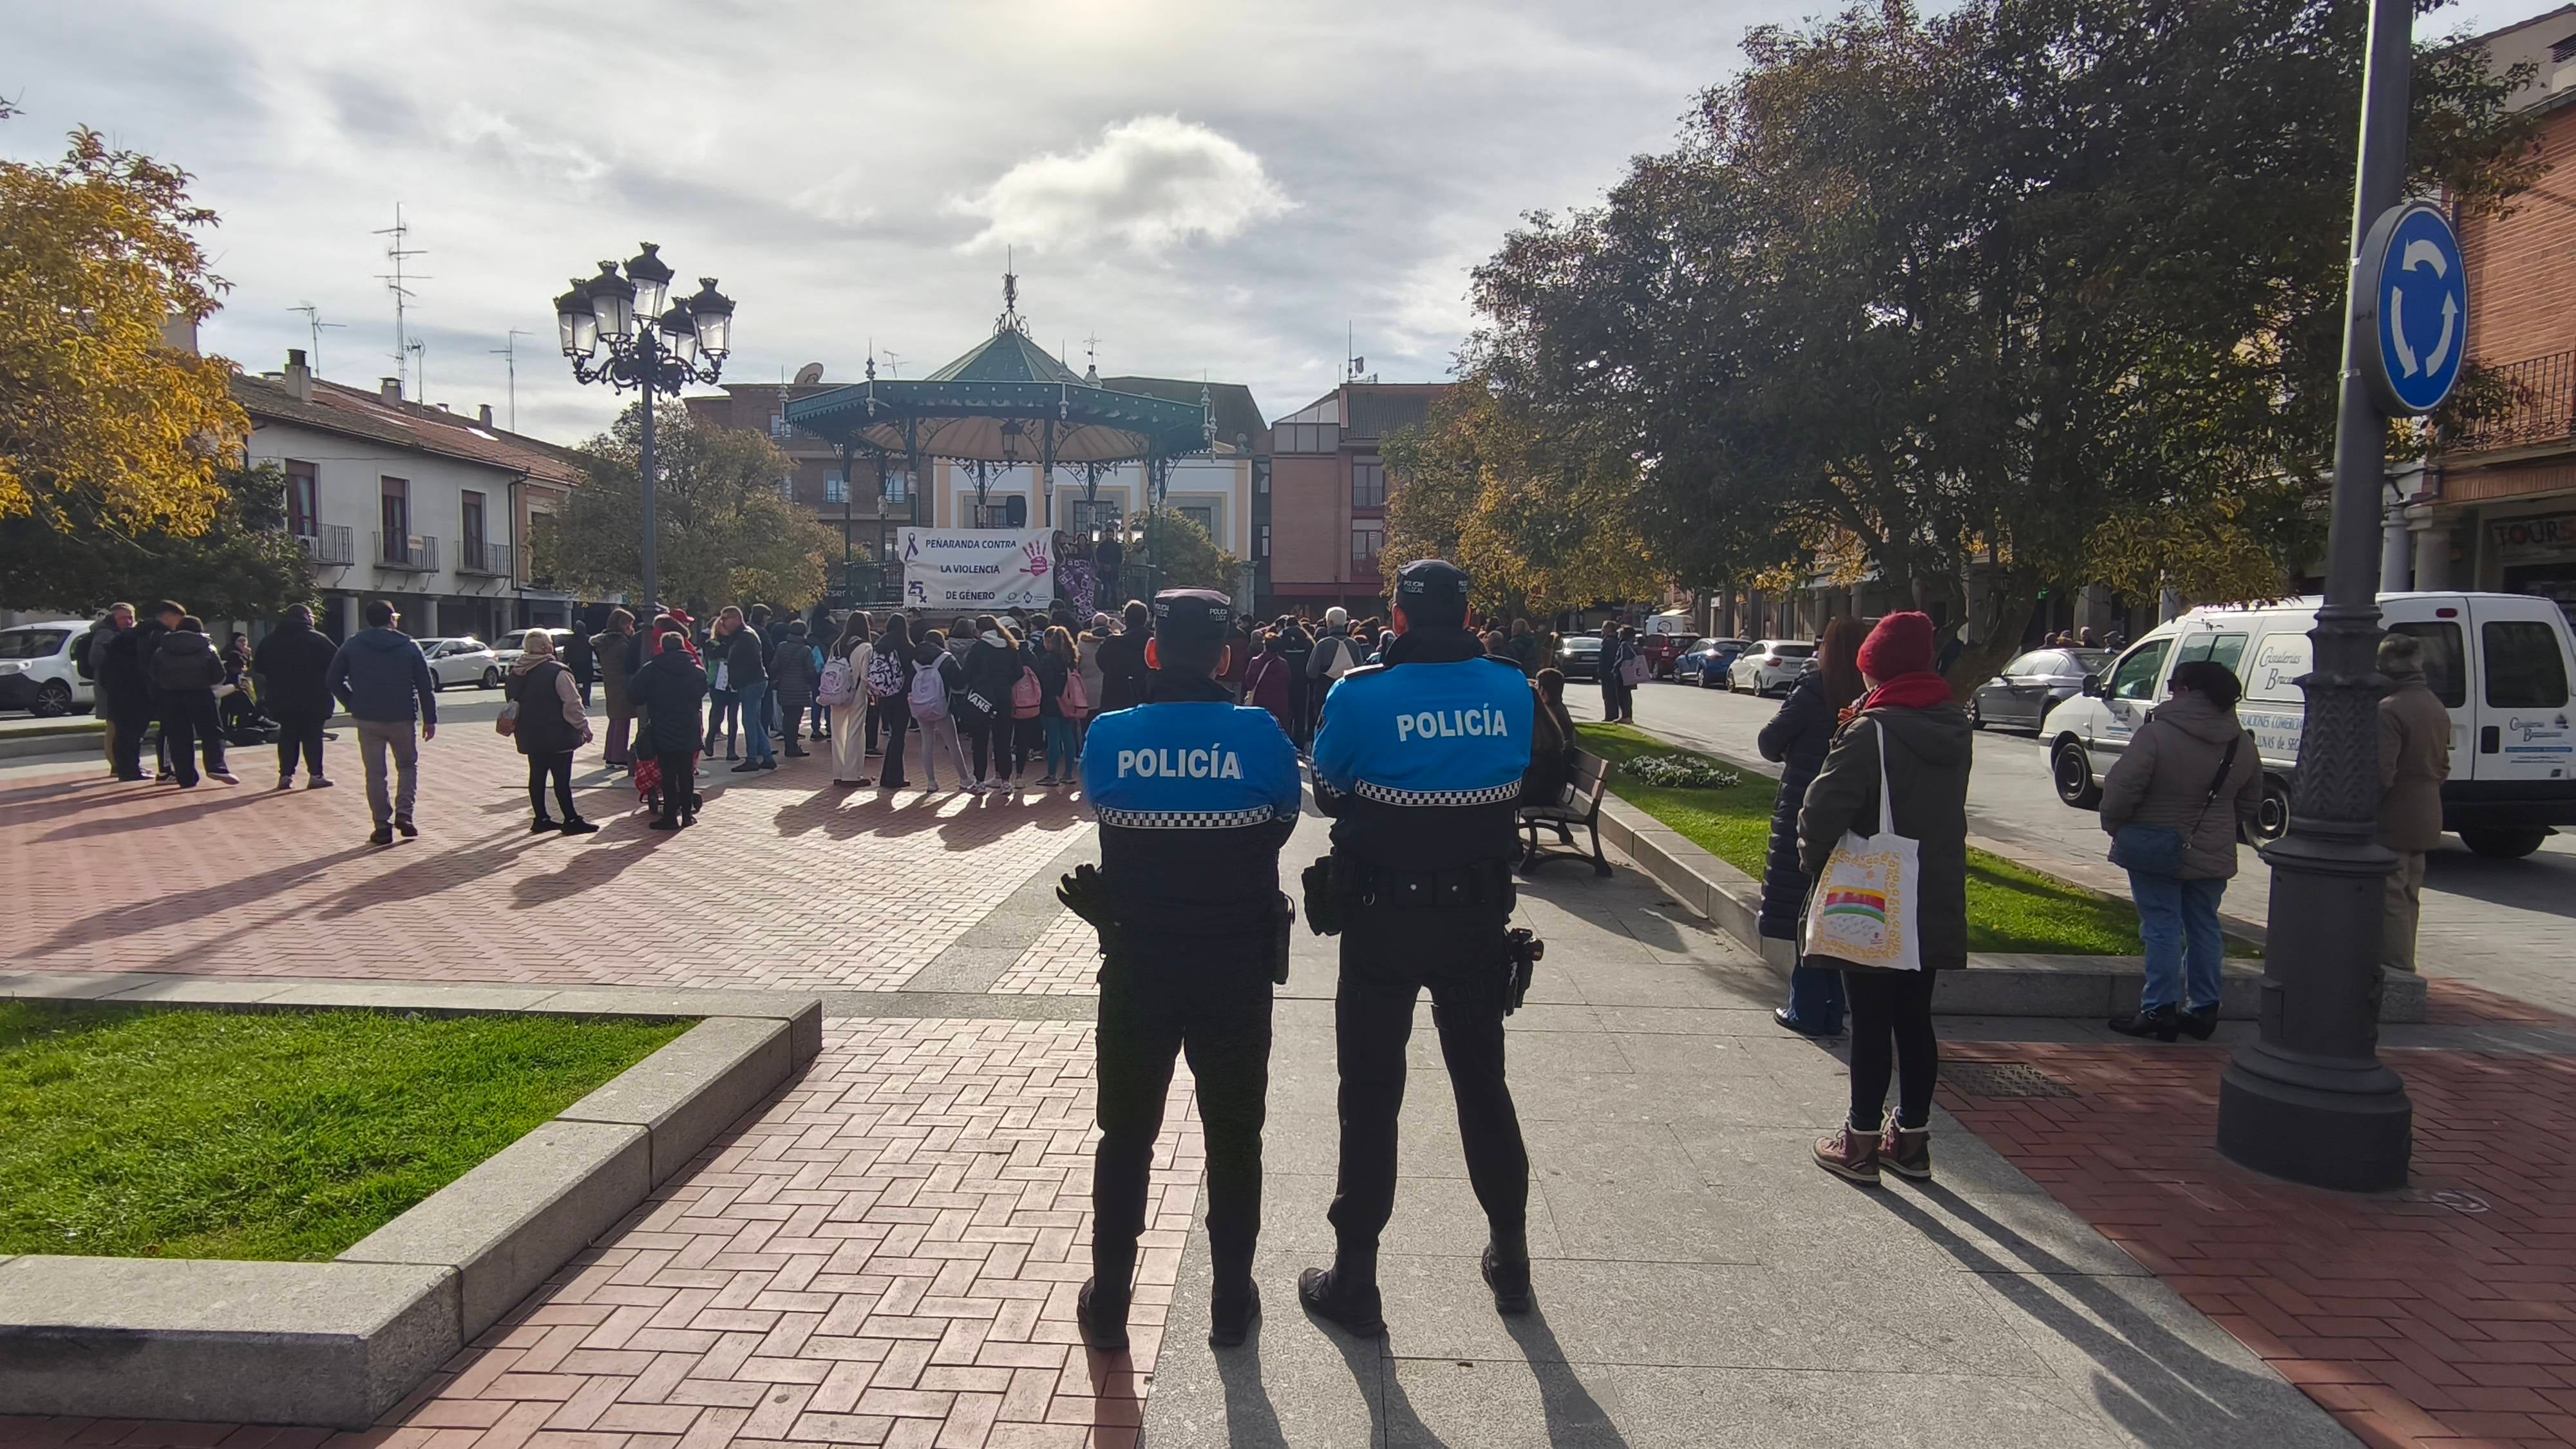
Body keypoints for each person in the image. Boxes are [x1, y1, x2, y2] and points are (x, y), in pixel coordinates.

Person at [1301, 559, 1537, 1338]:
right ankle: (1510, 1258)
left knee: (1370, 1093)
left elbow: (1330, 785)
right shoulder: (1511, 688)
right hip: (1474, 921)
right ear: (1470, 616)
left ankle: (1356, 1279)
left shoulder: (1360, 694)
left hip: (1382, 922)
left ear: (1396, 618)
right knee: (1483, 1085)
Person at [1072, 589, 1302, 1352]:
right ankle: (1230, 1305)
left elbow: (1105, 811)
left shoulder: (1108, 737)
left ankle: (1109, 1304)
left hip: (1138, 964)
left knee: (1125, 1134)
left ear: (1149, 651)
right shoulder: (1261, 735)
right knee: (1236, 1135)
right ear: (1227, 658)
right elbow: (1279, 822)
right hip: (1233, 965)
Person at [1801, 612, 1971, 1186]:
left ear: (1876, 669)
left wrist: (1813, 860)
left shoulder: (1871, 730)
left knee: (1870, 1019)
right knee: (1914, 1017)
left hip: (1876, 893)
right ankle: (1914, 1141)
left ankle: (1860, 1142)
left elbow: (1822, 810)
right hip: (1933, 893)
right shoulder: (1955, 723)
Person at [2096, 658, 2262, 1040]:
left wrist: (2116, 824)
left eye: (2174, 684)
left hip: (2155, 842)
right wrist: (2218, 826)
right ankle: (2204, 1009)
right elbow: (2251, 802)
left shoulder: (2156, 735)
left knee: (2161, 926)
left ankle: (2159, 1009)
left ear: (2187, 691)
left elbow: (2123, 788)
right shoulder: (2242, 742)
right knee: (2205, 925)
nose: (2170, 691)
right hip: (2213, 848)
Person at [1760, 617, 1867, 1039]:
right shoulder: (1870, 694)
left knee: (1807, 911)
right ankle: (1832, 1008)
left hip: (1806, 807)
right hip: (1853, 816)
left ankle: (1804, 1007)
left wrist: (1792, 748)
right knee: (1837, 909)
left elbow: (1770, 741)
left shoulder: (1814, 687)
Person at [327, 599, 439, 846]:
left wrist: (352, 702)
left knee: (375, 773)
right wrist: (430, 719)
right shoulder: (408, 645)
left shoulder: (353, 644)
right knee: (407, 766)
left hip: (367, 717)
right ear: (391, 619)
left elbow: (333, 679)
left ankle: (381, 826)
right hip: (402, 716)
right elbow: (424, 685)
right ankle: (405, 813)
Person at [2376, 632, 2450, 973]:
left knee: (2390, 893)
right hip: (2428, 809)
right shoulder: (2435, 705)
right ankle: (2404, 957)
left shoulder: (2390, 710)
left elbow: (2382, 772)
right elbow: (2443, 765)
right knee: (2409, 892)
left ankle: (2396, 965)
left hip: (2394, 813)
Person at [510, 629, 598, 835]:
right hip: (558, 734)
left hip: (529, 733)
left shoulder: (516, 672)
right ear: (546, 647)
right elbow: (573, 704)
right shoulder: (558, 671)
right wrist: (583, 728)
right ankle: (571, 818)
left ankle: (541, 818)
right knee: (561, 779)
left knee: (537, 776)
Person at [629, 627, 709, 829]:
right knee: (686, 771)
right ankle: (687, 815)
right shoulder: (696, 669)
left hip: (663, 725)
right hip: (688, 724)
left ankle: (670, 816)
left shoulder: (652, 668)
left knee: (668, 772)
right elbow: (701, 691)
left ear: (663, 647)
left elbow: (634, 694)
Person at [253, 603, 340, 789]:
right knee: (313, 736)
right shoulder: (319, 639)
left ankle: (286, 776)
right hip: (314, 696)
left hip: (281, 697)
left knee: (287, 735)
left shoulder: (270, 640)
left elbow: (258, 667)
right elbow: (337, 665)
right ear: (308, 618)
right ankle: (316, 775)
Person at [153, 616, 235, 786]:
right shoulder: (207, 648)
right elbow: (219, 675)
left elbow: (154, 673)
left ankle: (185, 777)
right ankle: (216, 766)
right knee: (212, 732)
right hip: (201, 694)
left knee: (179, 736)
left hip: (172, 695)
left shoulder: (163, 648)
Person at [963, 616, 1025, 793]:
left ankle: (980, 782)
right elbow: (1019, 672)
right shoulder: (1010, 647)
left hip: (982, 699)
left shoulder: (979, 648)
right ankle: (1005, 781)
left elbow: (966, 673)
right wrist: (1005, 684)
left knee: (980, 741)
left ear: (979, 631)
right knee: (1003, 740)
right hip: (1004, 698)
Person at [909, 632, 972, 792]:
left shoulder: (914, 659)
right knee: (952, 743)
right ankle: (964, 779)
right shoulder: (946, 659)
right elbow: (959, 684)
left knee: (927, 742)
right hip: (942, 706)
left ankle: (931, 782)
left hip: (920, 705)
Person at [715, 606, 773, 773]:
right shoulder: (742, 635)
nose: (723, 622)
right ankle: (767, 757)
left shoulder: (745, 636)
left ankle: (752, 759)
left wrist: (740, 679)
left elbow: (748, 660)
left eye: (726, 618)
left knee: (749, 721)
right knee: (753, 720)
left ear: (736, 619)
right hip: (752, 681)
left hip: (751, 682)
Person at [82, 603, 135, 779]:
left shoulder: (124, 633)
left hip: (121, 687)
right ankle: (116, 765)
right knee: (113, 726)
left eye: (131, 617)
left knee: (121, 726)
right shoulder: (105, 634)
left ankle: (122, 764)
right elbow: (95, 660)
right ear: (114, 618)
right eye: (123, 618)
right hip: (109, 688)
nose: (128, 621)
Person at [871, 614, 916, 790]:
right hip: (901, 695)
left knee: (892, 734)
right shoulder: (907, 646)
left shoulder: (880, 645)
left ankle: (887, 776)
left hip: (884, 694)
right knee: (898, 736)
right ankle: (894, 776)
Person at [592, 609, 637, 775]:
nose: (631, 628)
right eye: (629, 624)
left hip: (613, 683)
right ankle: (618, 756)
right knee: (622, 720)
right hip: (623, 683)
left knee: (616, 719)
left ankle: (612, 755)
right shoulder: (620, 643)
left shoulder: (607, 642)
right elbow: (631, 659)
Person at [1034, 624, 1079, 788]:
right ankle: (1068, 773)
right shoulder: (1071, 658)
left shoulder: (1048, 660)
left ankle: (1052, 774)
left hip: (1051, 703)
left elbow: (1046, 683)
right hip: (1069, 701)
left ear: (1048, 641)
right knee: (1068, 736)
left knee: (1053, 738)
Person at [769, 620, 820, 759]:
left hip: (784, 687)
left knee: (787, 718)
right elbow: (811, 671)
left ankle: (789, 745)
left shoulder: (781, 647)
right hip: (800, 689)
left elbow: (774, 666)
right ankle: (792, 747)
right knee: (795, 719)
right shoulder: (805, 650)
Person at [1095, 600, 1151, 714]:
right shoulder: (1154, 643)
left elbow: (1101, 663)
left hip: (1116, 701)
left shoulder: (1112, 644)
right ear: (1145, 620)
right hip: (1146, 700)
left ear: (1125, 620)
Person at [1241, 631, 1296, 737]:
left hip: (1259, 703)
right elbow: (1288, 682)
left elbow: (1249, 682)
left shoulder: (1255, 662)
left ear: (1265, 646)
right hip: (1279, 704)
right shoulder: (1283, 664)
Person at [564, 624, 596, 707]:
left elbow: (566, 653)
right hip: (586, 665)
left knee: (575, 684)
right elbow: (596, 650)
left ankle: (577, 701)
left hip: (575, 665)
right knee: (587, 685)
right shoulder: (588, 639)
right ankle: (586, 702)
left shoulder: (570, 640)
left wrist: (565, 663)